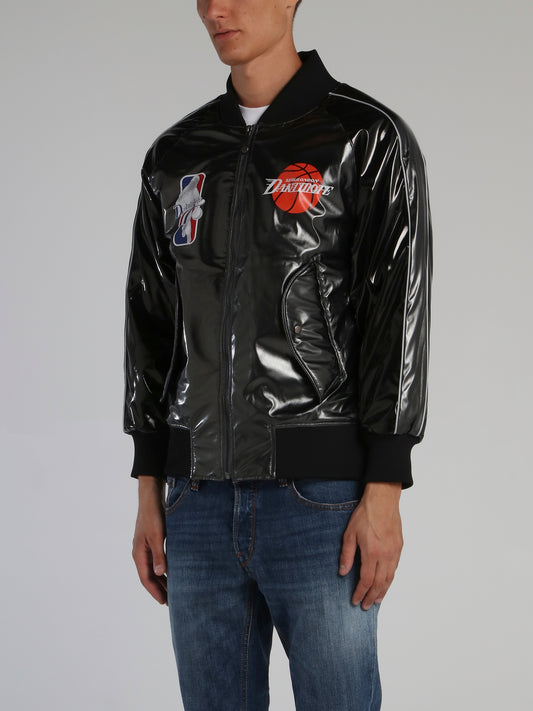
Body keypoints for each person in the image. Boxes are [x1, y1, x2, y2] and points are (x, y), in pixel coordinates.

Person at [124, 1, 432, 709]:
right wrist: (149, 484)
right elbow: (150, 319)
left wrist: (384, 487)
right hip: (194, 498)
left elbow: (398, 313)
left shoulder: (364, 137)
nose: (216, 9)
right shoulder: (178, 153)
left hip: (321, 502)